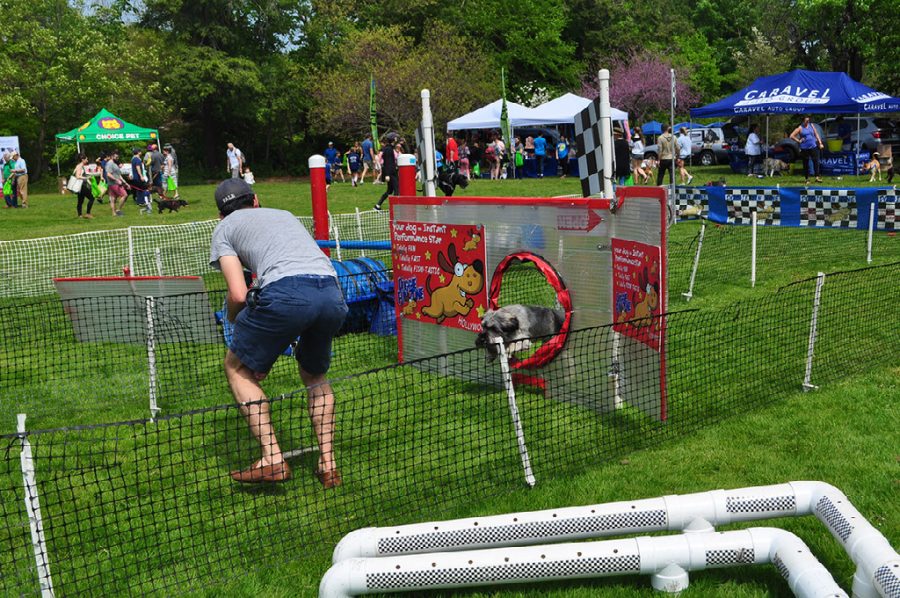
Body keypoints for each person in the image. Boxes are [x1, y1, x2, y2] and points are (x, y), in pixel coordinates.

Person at [209, 178, 348, 486]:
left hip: (286, 294)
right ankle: (328, 465)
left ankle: (272, 458)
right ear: (255, 199)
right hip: (332, 291)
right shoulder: (284, 214)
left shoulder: (224, 229)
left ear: (221, 214)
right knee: (314, 375)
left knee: (237, 367)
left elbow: (238, 295)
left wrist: (234, 322)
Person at [790, 116, 824, 184]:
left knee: (816, 162)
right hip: (804, 148)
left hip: (813, 146)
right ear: (803, 121)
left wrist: (820, 143)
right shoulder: (800, 127)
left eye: (808, 120)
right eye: (806, 121)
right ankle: (807, 179)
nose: (807, 122)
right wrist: (799, 141)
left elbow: (816, 134)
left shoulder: (811, 125)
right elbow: (791, 136)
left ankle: (817, 177)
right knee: (806, 163)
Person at [373, 134, 398, 211]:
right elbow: (387, 162)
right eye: (395, 137)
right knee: (397, 190)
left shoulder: (389, 148)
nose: (396, 138)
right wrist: (387, 174)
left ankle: (377, 206)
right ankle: (395, 208)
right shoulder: (388, 149)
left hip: (391, 172)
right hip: (391, 173)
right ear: (393, 139)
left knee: (389, 190)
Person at [105, 150, 128, 216]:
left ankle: (114, 213)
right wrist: (116, 180)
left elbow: (119, 175)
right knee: (124, 195)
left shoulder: (115, 163)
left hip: (116, 183)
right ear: (112, 156)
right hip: (114, 184)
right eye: (116, 157)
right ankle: (118, 210)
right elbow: (108, 174)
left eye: (118, 157)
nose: (117, 158)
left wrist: (125, 183)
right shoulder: (110, 163)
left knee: (113, 198)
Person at [130, 148, 152, 214]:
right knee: (145, 188)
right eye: (140, 152)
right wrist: (141, 176)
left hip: (135, 177)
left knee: (139, 189)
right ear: (138, 152)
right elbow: (138, 168)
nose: (141, 153)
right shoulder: (137, 160)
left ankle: (139, 202)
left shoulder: (133, 159)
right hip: (138, 177)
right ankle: (145, 201)